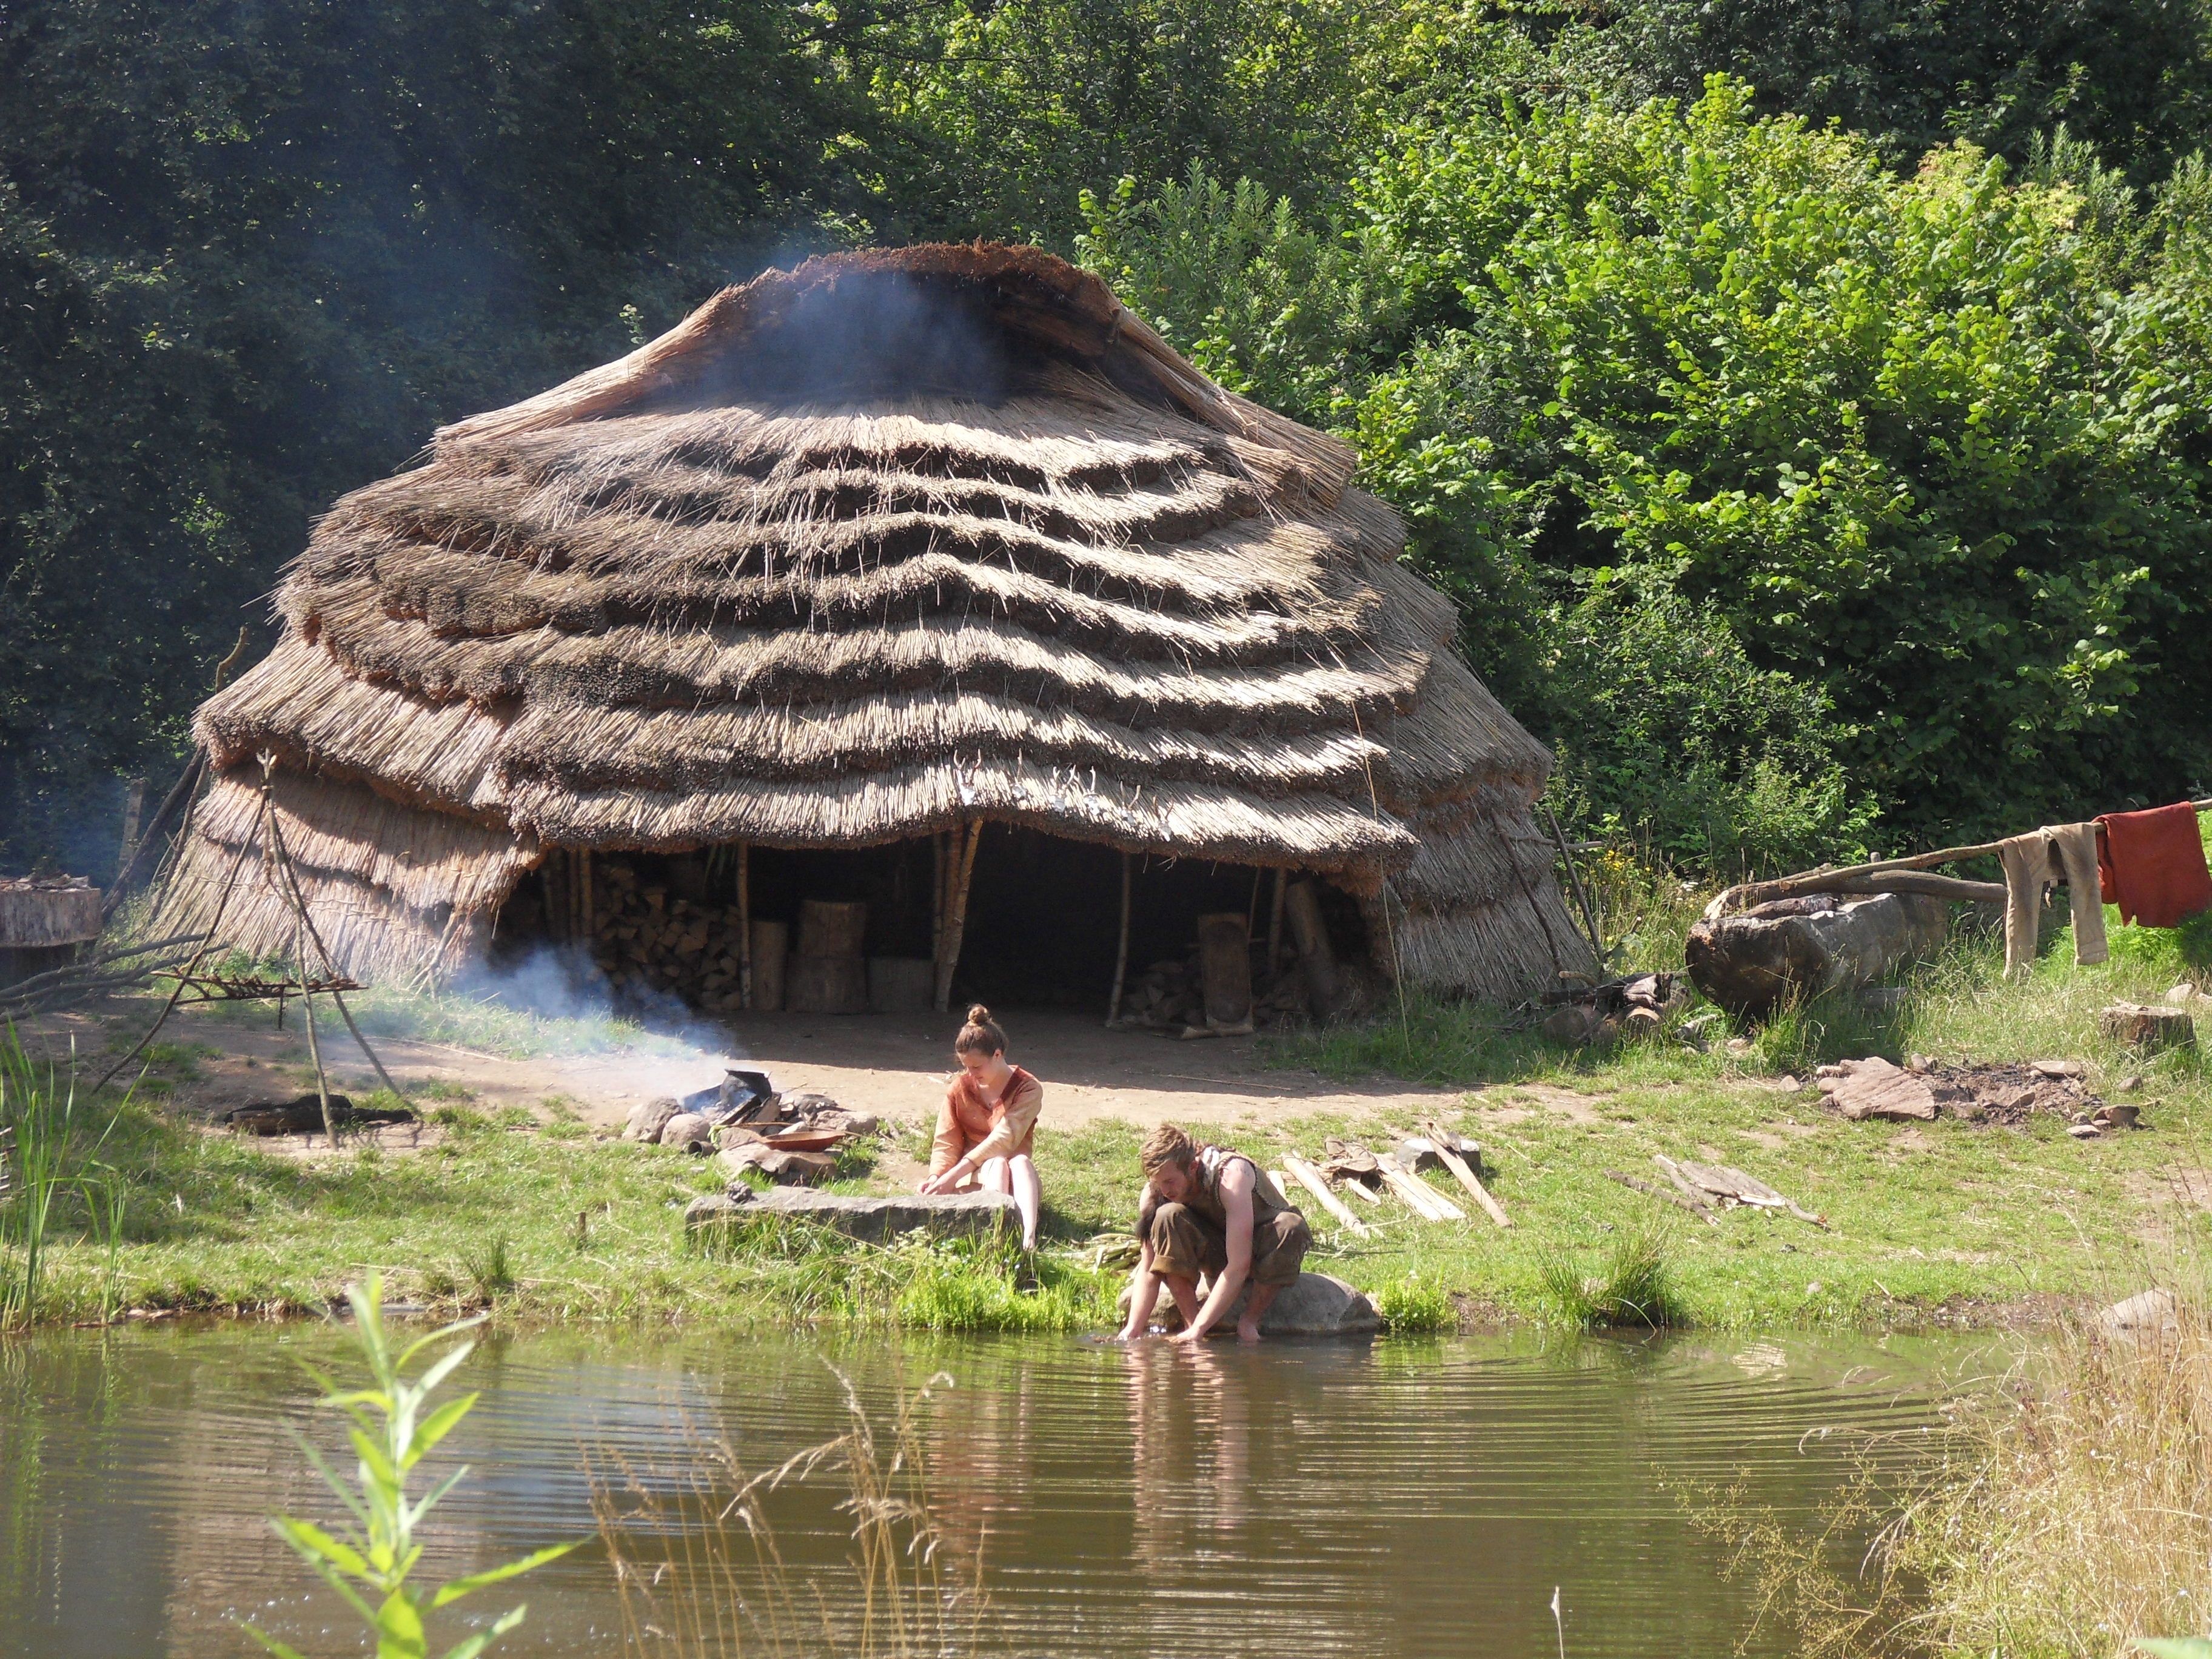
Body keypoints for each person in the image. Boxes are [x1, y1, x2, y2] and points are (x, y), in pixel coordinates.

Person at [1117, 1123, 1310, 1344]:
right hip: (1218, 1252)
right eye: (1158, 1183)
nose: (1165, 1190)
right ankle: (1192, 1323)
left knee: (1290, 1227)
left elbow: (1240, 1265)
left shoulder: (1231, 1176)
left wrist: (1215, 1326)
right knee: (1167, 1215)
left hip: (1261, 1252)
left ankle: (1248, 1322)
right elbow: (1149, 1266)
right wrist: (1133, 1329)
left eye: (1170, 1182)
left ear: (1192, 1167)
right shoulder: (1157, 1190)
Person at [918, 1005, 1044, 1250]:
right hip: (976, 1179)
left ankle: (1028, 1239)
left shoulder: (1029, 1088)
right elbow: (947, 1140)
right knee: (995, 1165)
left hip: (1018, 1183)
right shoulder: (959, 1088)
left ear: (998, 1055)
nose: (970, 1073)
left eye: (977, 1067)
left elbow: (1005, 1138)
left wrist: (952, 1176)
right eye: (966, 1066)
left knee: (1019, 1162)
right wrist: (937, 1177)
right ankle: (995, 1237)